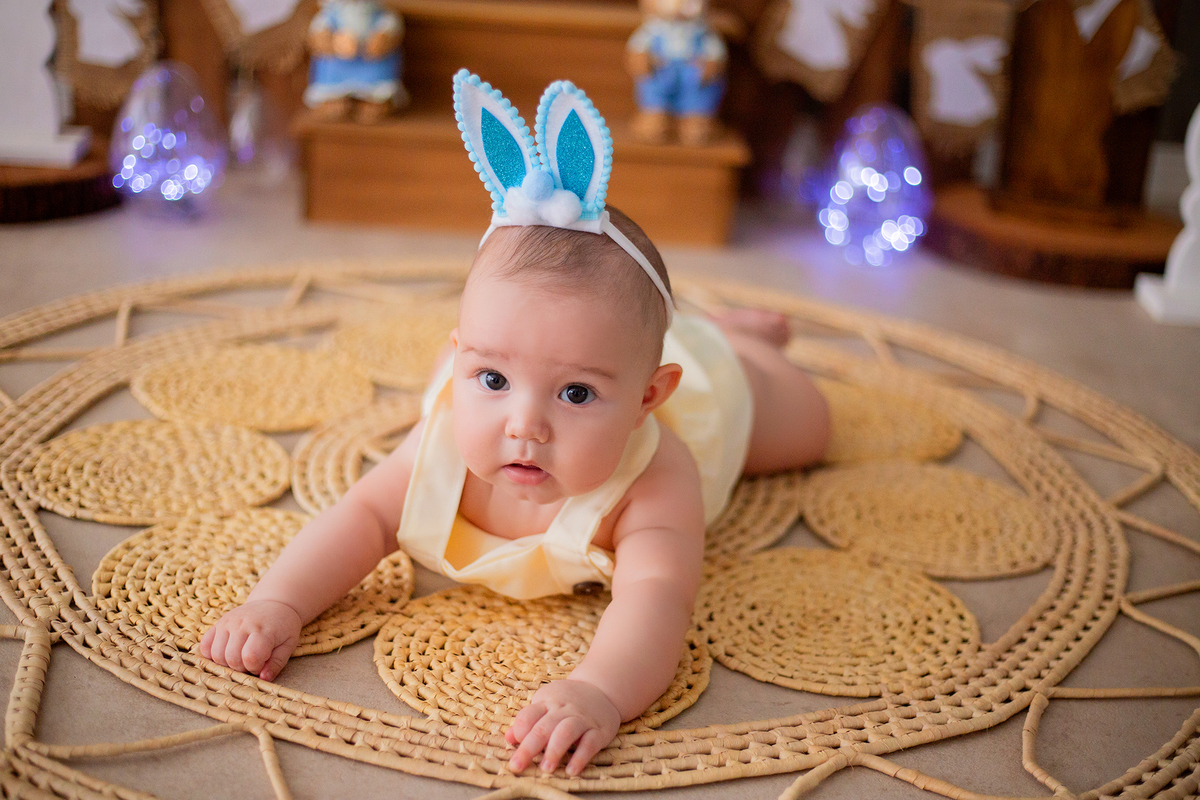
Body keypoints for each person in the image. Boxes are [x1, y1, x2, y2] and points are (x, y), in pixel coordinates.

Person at [200, 72, 830, 777]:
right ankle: (667, 340)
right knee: (570, 353)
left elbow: (658, 597)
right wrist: (277, 604)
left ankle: (730, 338)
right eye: (493, 380)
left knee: (815, 424)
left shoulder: (657, 478)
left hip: (720, 388)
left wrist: (599, 691)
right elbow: (360, 518)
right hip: (617, 351)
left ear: (649, 401)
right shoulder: (444, 437)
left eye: (577, 395)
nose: (524, 425)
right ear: (457, 360)